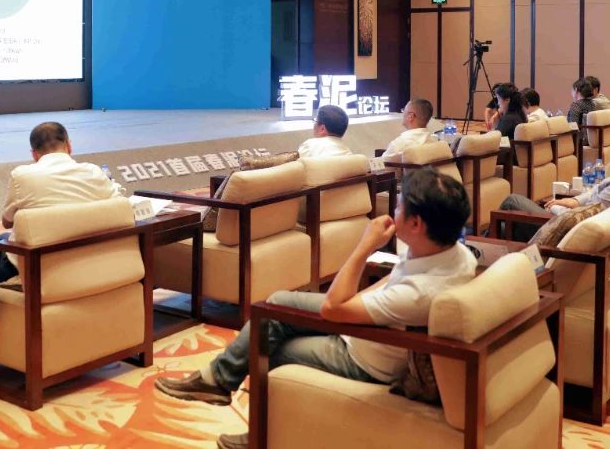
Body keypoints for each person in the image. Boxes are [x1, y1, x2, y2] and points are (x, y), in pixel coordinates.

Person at [155, 168, 474, 449]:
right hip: (374, 323)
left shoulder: (419, 293)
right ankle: (217, 380)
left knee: (271, 353)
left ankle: (264, 435)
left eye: (400, 206)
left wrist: (365, 245)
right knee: (276, 304)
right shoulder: (451, 252)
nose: (393, 210)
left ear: (416, 224)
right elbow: (388, 282)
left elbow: (334, 308)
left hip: (366, 357)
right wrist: (356, 304)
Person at [0, 121, 123, 281]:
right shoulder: (94, 172)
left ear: (34, 154)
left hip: (39, 268)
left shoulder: (21, 176)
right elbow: (122, 208)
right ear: (69, 146)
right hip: (94, 261)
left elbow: (7, 222)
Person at [498, 113, 610, 226]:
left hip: (572, 235)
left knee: (513, 202)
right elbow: (596, 199)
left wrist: (555, 208)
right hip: (588, 224)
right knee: (509, 226)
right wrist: (576, 200)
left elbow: (584, 220)